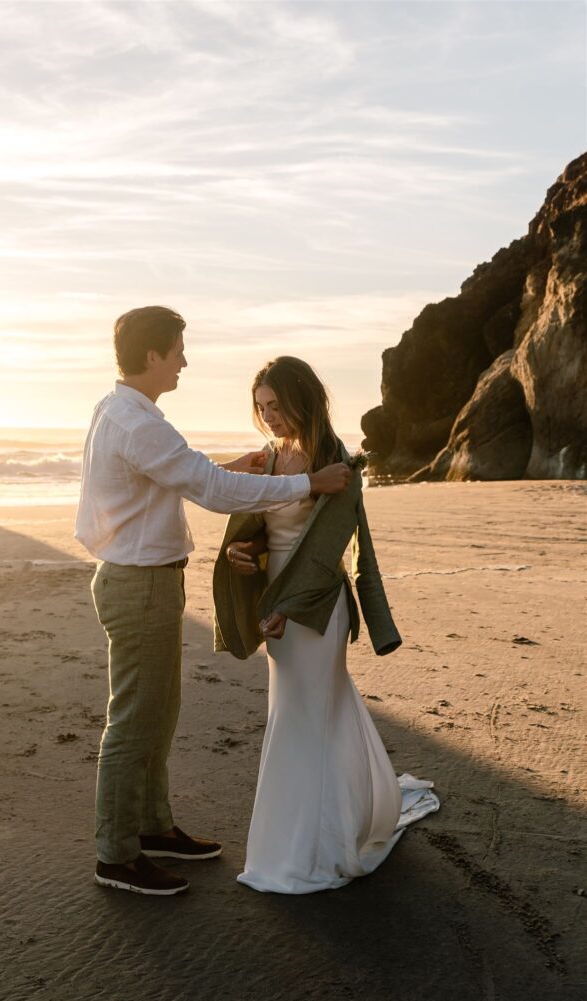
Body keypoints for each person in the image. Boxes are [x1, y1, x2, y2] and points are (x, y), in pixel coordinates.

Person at [75, 309, 353, 896]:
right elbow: (211, 491)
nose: (183, 359)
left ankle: (152, 827)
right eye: (177, 350)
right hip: (139, 582)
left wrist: (233, 468)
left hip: (142, 578)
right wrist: (305, 483)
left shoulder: (121, 411)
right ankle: (117, 855)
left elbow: (179, 478)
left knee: (158, 713)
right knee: (133, 721)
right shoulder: (138, 423)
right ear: (152, 355)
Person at [213, 356, 439, 895]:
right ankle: (322, 830)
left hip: (314, 609)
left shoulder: (336, 461)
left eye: (277, 406)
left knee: (304, 721)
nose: (269, 418)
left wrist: (287, 605)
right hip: (276, 608)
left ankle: (310, 853)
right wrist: (249, 554)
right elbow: (264, 533)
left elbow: (327, 551)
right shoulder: (269, 460)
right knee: (312, 715)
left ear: (304, 399)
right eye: (261, 408)